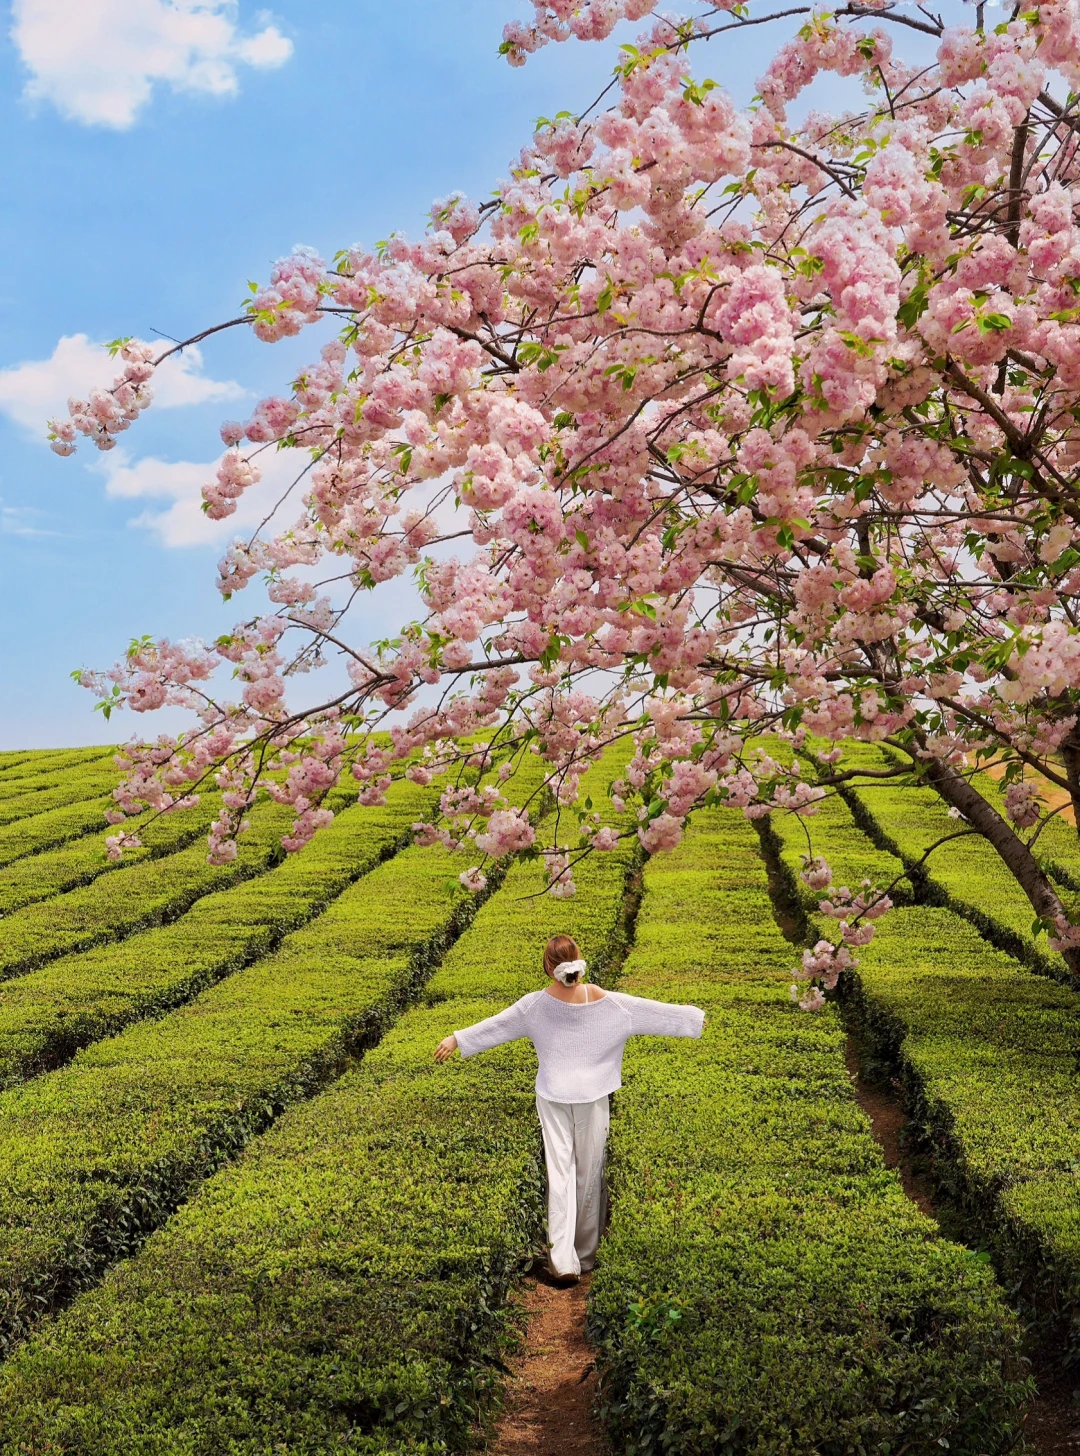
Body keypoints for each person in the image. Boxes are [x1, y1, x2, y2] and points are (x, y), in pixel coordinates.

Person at [433, 934, 705, 1285]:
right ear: (579, 960)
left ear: (548, 967)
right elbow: (652, 1011)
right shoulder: (610, 1003)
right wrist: (693, 1020)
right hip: (593, 1097)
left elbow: (497, 1026)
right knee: (589, 1173)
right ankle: (586, 1255)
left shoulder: (534, 1005)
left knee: (559, 1172)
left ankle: (562, 1261)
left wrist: (457, 1039)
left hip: (553, 1096)